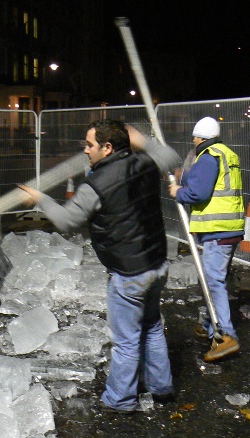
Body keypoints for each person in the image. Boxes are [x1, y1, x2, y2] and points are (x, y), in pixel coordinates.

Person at [18, 119, 181, 413]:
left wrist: (39, 198)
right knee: (152, 327)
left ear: (107, 147)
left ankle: (120, 400)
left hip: (129, 273)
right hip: (157, 264)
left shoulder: (97, 184)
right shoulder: (145, 163)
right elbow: (171, 156)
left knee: (127, 341)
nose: (85, 150)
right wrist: (142, 140)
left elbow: (68, 221)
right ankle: (162, 388)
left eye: (89, 144)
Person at [169, 116, 244, 362]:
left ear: (200, 137)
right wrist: (183, 176)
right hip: (228, 229)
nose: (193, 141)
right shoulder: (224, 153)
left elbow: (198, 192)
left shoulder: (208, 156)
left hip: (218, 231)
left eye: (194, 137)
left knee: (213, 282)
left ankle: (225, 336)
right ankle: (209, 324)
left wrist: (178, 191)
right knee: (213, 278)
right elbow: (205, 182)